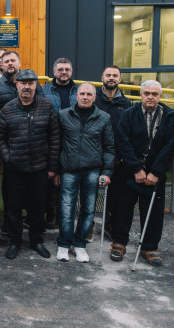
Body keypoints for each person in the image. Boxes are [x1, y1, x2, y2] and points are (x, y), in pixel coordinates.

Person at [110, 80, 174, 266]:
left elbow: (171, 145)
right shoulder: (129, 113)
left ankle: (149, 247)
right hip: (129, 171)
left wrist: (155, 172)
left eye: (154, 94)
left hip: (155, 173)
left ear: (160, 96)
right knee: (122, 208)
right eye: (146, 93)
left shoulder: (170, 116)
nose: (150, 97)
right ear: (141, 95)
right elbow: (122, 141)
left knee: (153, 211)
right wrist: (136, 169)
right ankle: (119, 242)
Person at [0, 69, 61, 260]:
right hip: (15, 169)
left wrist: (52, 167)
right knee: (13, 207)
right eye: (23, 83)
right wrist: (8, 157)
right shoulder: (8, 108)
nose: (27, 87)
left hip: (39, 168)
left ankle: (36, 241)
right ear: (17, 85)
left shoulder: (46, 106)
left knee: (37, 208)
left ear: (35, 85)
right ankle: (15, 241)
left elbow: (54, 137)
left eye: (31, 83)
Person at [55, 83, 114, 263]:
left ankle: (80, 244)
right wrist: (56, 170)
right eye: (82, 94)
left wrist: (107, 172)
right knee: (66, 208)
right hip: (69, 169)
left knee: (88, 210)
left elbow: (109, 146)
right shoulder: (63, 115)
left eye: (89, 94)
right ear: (77, 96)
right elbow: (56, 144)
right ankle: (64, 244)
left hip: (92, 170)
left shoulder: (104, 117)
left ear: (94, 97)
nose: (85, 97)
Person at [93, 65, 132, 238]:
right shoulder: (94, 99)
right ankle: (87, 227)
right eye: (108, 75)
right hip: (94, 153)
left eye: (115, 75)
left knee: (114, 196)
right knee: (90, 194)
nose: (111, 78)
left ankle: (109, 227)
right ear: (102, 78)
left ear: (120, 79)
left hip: (116, 156)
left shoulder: (126, 103)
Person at [41, 57, 79, 230]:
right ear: (54, 71)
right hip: (50, 138)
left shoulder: (78, 91)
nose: (64, 72)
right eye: (60, 69)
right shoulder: (43, 90)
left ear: (71, 72)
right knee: (50, 178)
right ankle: (50, 214)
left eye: (67, 69)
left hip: (73, 140)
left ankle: (64, 216)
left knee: (68, 179)